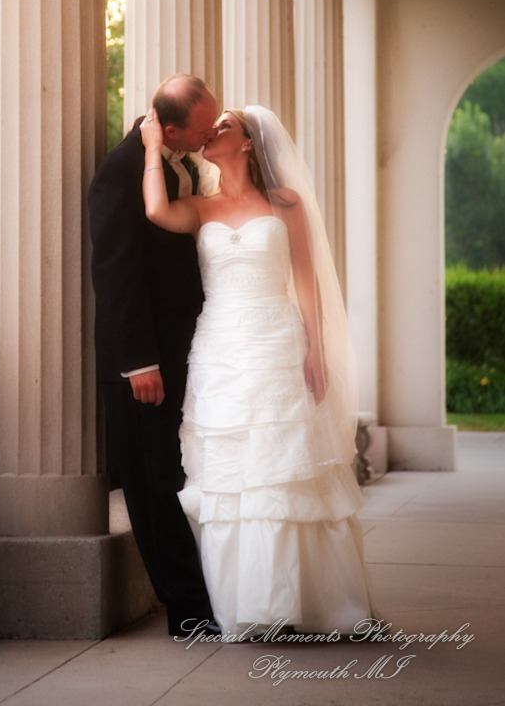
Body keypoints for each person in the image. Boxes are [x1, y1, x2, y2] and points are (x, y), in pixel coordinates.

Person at [140, 104, 378, 636]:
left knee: (285, 468)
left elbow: (307, 280)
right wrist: (154, 146)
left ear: (248, 143)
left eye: (224, 125)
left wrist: (316, 349)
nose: (212, 132)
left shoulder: (285, 203)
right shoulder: (198, 207)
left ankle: (309, 603)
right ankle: (249, 605)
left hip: (276, 340)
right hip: (220, 347)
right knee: (230, 473)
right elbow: (156, 211)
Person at [88, 74, 219, 636]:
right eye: (202, 125)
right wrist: (138, 361)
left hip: (185, 354)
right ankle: (187, 613)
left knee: (176, 476)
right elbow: (115, 272)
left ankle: (203, 597)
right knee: (153, 484)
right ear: (168, 129)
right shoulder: (122, 169)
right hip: (145, 366)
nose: (211, 131)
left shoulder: (179, 165)